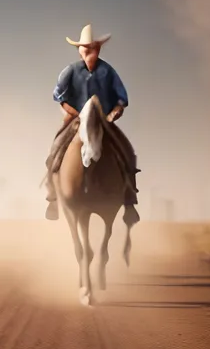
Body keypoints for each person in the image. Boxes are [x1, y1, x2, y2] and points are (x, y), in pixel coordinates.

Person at [45, 24, 140, 224]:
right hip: (75, 118)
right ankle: (52, 196)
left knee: (127, 151)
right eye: (86, 48)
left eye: (93, 48)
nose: (90, 52)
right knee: (55, 148)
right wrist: (75, 113)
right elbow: (58, 97)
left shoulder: (108, 71)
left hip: (103, 120)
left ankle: (130, 199)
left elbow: (122, 98)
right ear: (80, 50)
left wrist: (113, 114)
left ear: (98, 49)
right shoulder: (70, 71)